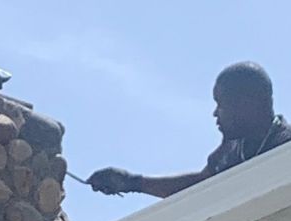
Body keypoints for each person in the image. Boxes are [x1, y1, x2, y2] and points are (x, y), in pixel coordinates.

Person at [87, 62, 291, 198]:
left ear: (248, 103)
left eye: (221, 104)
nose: (215, 114)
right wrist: (132, 183)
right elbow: (201, 188)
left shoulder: (285, 146)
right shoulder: (228, 153)